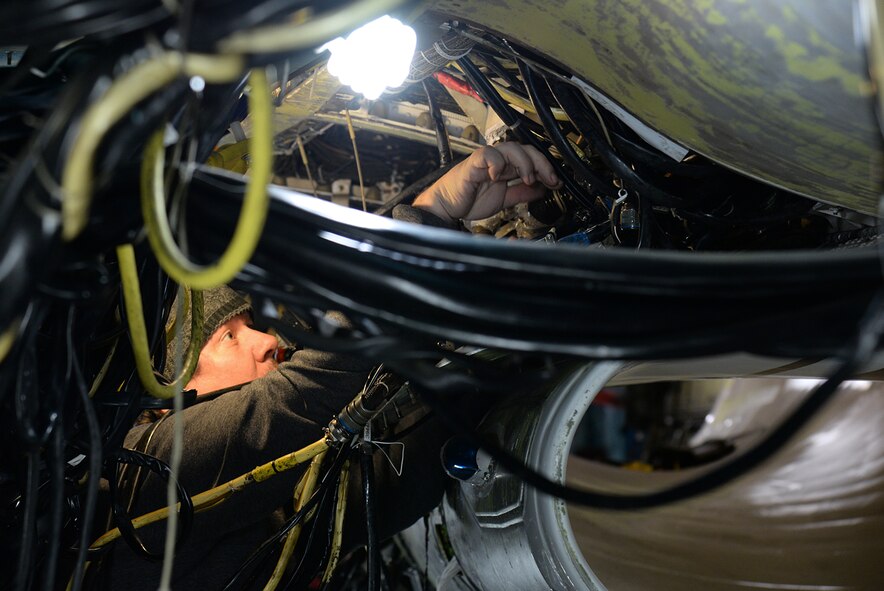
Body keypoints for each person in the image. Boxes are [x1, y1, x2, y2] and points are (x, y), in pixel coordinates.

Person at [104, 143, 561, 589]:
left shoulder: (268, 500)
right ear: (167, 400)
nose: (266, 341)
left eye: (250, 326)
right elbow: (311, 385)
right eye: (228, 336)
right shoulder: (146, 476)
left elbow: (394, 482)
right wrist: (432, 214)